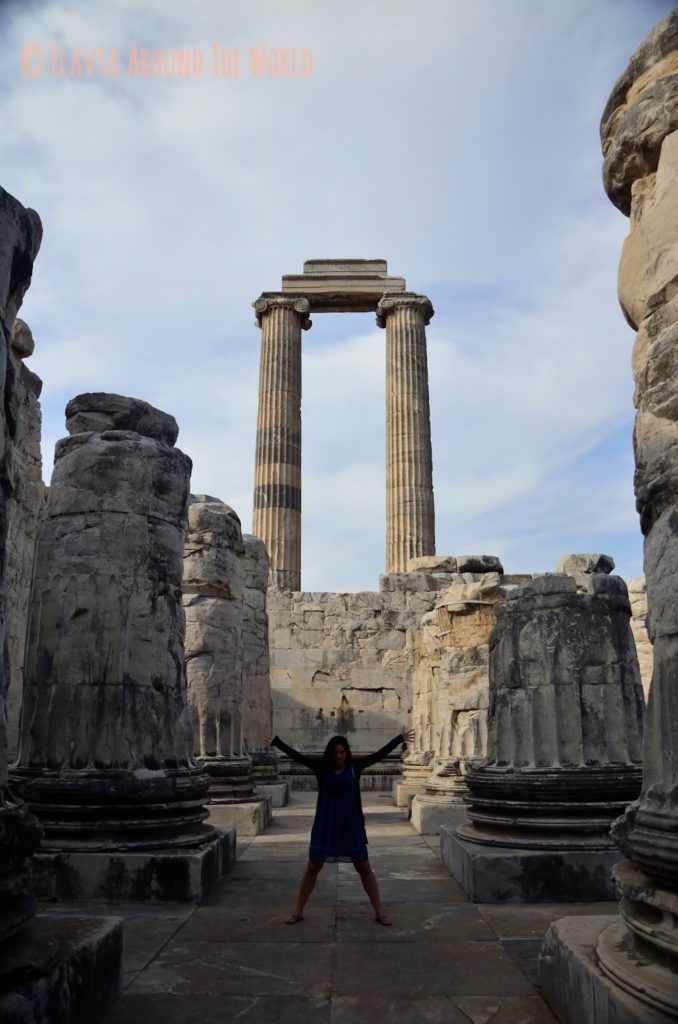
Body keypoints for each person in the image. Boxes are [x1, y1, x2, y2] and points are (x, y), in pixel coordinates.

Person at [264, 727, 415, 926]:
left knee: (363, 866)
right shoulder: (322, 768)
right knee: (313, 866)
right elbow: (299, 757)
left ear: (347, 752)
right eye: (336, 752)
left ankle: (379, 911)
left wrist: (399, 739)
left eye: (342, 752)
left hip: (350, 823)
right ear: (330, 753)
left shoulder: (355, 766)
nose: (339, 756)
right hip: (326, 823)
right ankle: (298, 910)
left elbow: (379, 754)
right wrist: (278, 743)